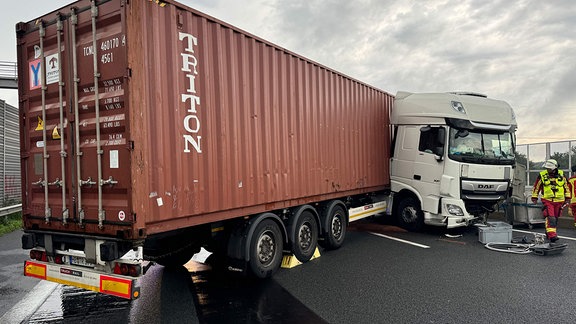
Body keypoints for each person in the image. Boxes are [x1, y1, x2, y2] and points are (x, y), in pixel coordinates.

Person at [531, 159, 571, 242]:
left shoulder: (562, 175)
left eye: (550, 168)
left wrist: (568, 198)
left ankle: (549, 232)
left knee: (555, 218)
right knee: (551, 218)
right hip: (547, 200)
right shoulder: (542, 175)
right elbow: (536, 187)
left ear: (555, 168)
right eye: (547, 168)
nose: (548, 170)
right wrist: (534, 197)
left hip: (559, 201)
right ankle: (552, 236)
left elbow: (566, 187)